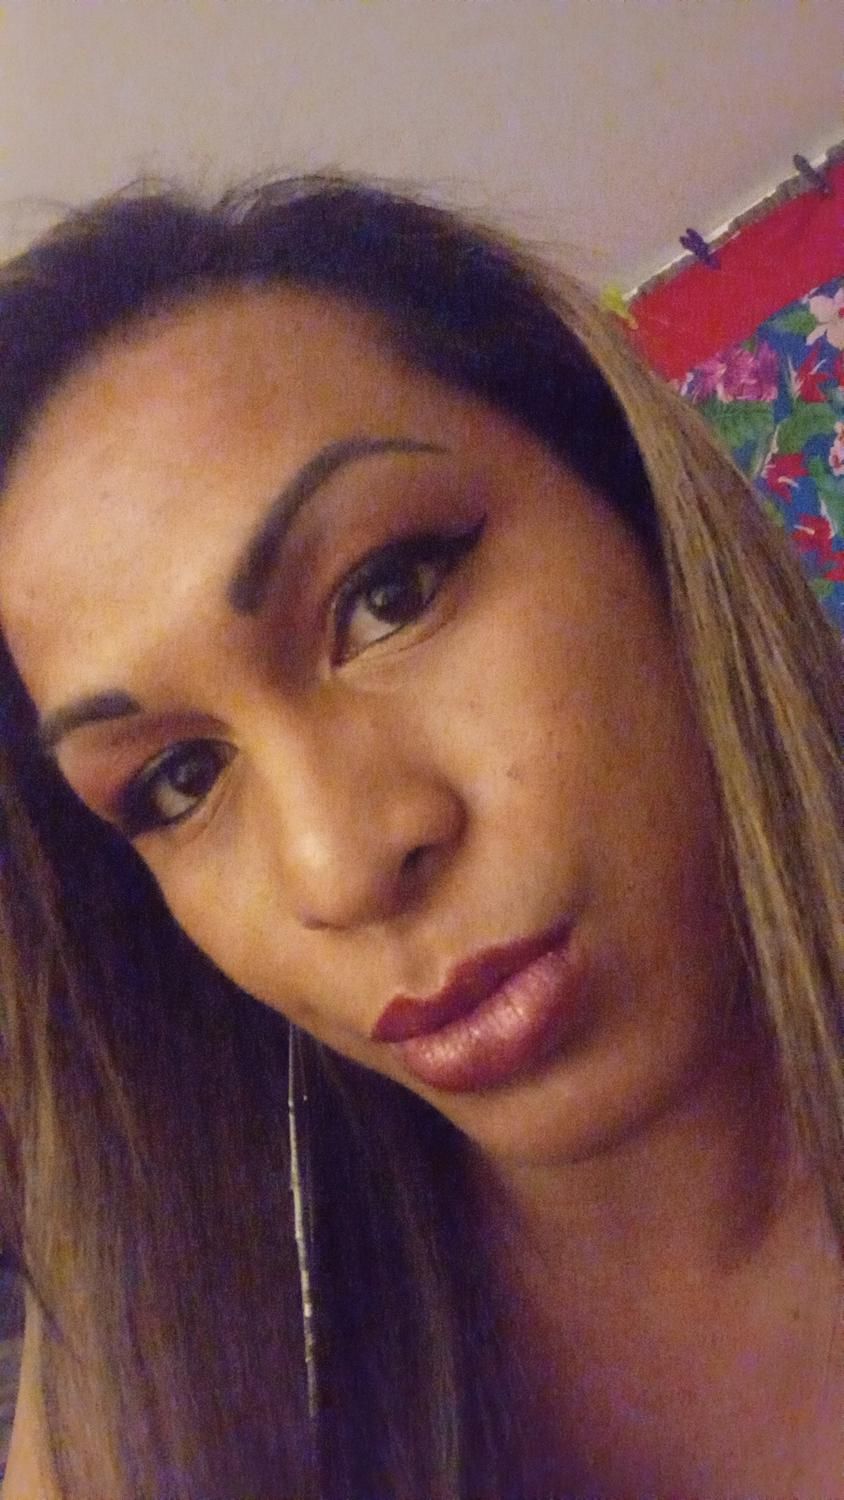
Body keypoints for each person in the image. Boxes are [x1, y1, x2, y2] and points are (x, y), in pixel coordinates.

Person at [0, 173, 839, 1500]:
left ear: (631, 502)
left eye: (387, 596)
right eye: (175, 781)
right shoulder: (163, 1365)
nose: (339, 866)